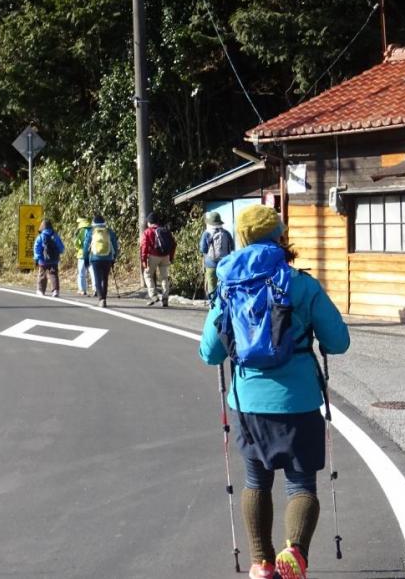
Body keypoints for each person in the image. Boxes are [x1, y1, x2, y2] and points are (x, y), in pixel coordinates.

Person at [198, 205, 350, 579]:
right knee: (300, 485)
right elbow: (339, 341)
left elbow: (210, 352)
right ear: (279, 236)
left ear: (243, 238)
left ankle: (262, 563)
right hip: (298, 401)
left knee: (256, 481)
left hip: (248, 403)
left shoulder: (228, 285)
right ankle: (295, 552)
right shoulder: (300, 284)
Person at [140, 211, 176, 307]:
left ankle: (153, 295)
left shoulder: (147, 232)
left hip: (153, 256)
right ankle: (165, 298)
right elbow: (173, 244)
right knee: (164, 277)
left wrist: (143, 260)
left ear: (149, 222)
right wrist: (171, 257)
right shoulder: (165, 231)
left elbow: (144, 246)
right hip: (165, 256)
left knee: (147, 274)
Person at [83, 214, 119, 308]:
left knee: (97, 279)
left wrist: (86, 260)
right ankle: (104, 298)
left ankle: (101, 299)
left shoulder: (91, 232)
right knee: (105, 279)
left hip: (95, 259)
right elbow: (115, 245)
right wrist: (114, 257)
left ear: (93, 223)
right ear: (104, 222)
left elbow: (86, 247)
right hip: (107, 258)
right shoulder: (109, 232)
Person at [200, 211, 235, 296]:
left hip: (210, 264)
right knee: (223, 284)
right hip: (224, 263)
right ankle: (222, 304)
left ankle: (213, 305)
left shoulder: (206, 233)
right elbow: (232, 247)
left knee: (212, 285)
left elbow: (203, 249)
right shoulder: (226, 233)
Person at [33, 219, 65, 297]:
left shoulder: (40, 236)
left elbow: (37, 247)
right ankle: (55, 290)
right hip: (54, 259)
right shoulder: (55, 235)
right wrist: (60, 252)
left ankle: (41, 290)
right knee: (53, 274)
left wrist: (37, 257)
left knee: (42, 275)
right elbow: (60, 246)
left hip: (43, 260)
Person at [74, 217, 94, 296]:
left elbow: (76, 243)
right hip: (92, 254)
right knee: (92, 272)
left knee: (82, 273)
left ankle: (82, 289)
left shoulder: (80, 231)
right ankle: (95, 289)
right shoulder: (93, 229)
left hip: (82, 254)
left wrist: (78, 248)